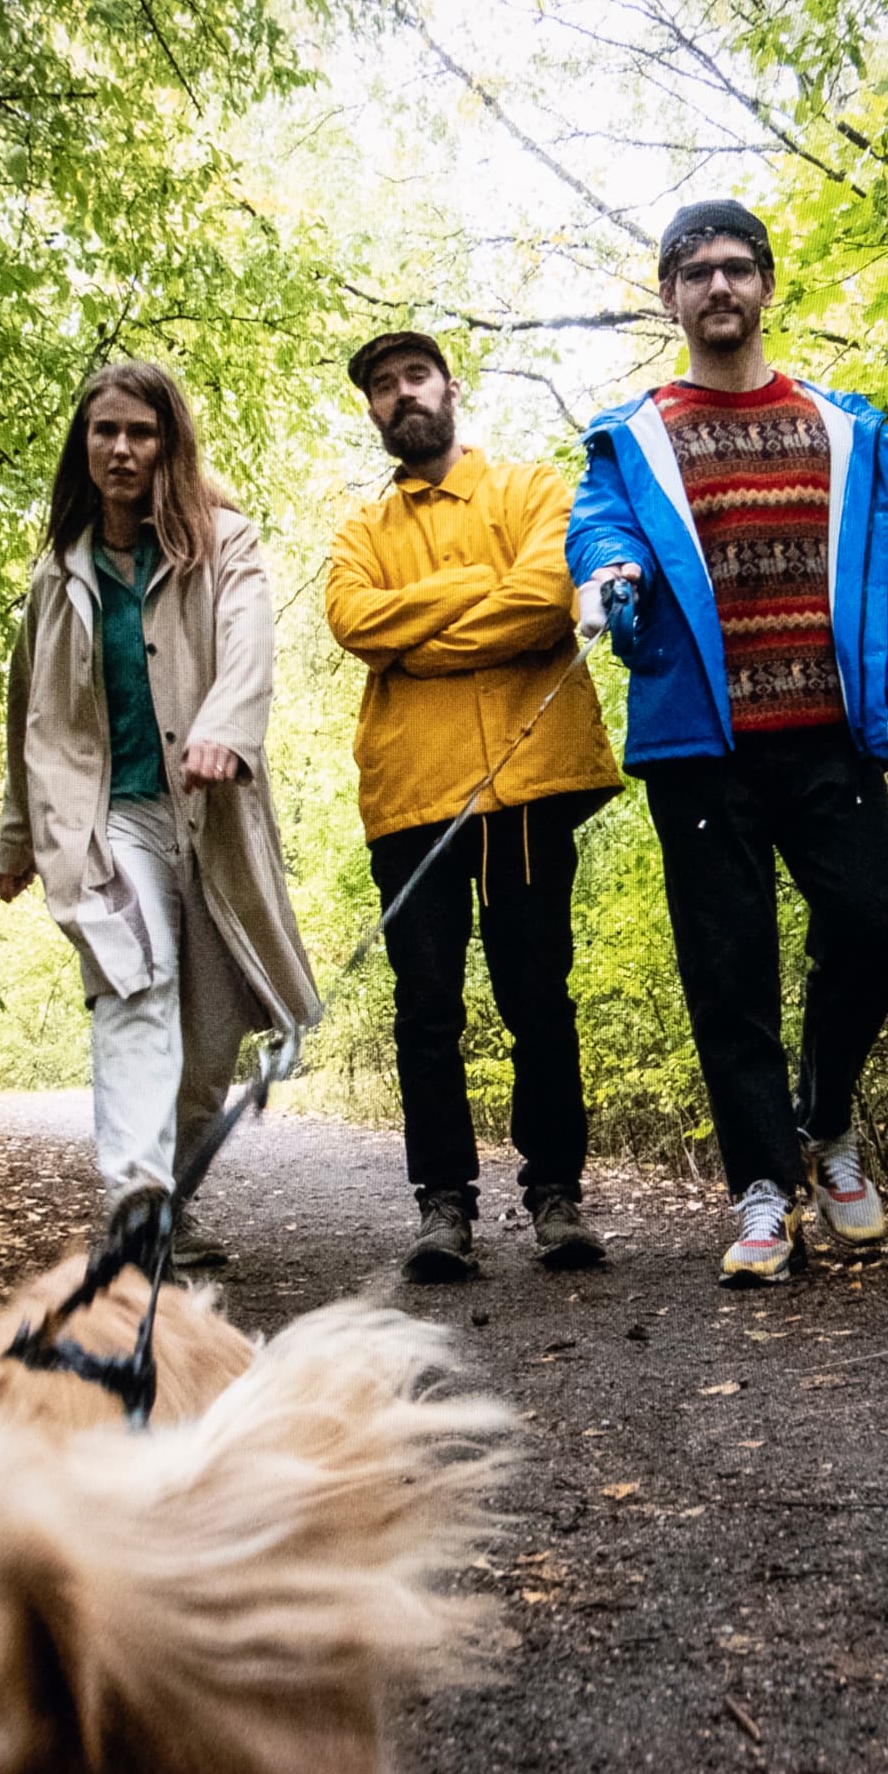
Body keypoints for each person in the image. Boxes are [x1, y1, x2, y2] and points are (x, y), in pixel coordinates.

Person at [566, 200, 888, 1284]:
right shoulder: (631, 436)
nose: (718, 288)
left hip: (829, 730)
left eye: (736, 269)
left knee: (874, 911)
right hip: (698, 746)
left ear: (766, 284)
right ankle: (763, 1190)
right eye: (696, 272)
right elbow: (599, 530)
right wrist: (613, 579)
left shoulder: (844, 430)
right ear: (670, 296)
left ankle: (825, 1123)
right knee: (728, 968)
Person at [0, 360, 322, 1266]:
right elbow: (27, 709)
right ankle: (135, 1202)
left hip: (207, 818)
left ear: (168, 445)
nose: (122, 449)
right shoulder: (58, 574)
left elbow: (248, 647)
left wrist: (223, 731)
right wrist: (18, 837)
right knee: (133, 986)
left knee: (206, 1039)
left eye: (141, 432)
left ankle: (169, 1198)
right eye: (105, 432)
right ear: (84, 446)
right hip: (104, 825)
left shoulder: (224, 542)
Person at [327, 332, 625, 1282]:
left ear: (450, 387)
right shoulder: (359, 533)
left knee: (537, 996)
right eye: (382, 386)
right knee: (425, 1008)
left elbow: (544, 595)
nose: (401, 394)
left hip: (522, 786)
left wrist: (422, 628)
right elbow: (352, 621)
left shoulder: (533, 490)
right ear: (373, 410)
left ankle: (555, 1195)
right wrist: (473, 599)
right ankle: (442, 1205)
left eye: (414, 376)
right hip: (409, 793)